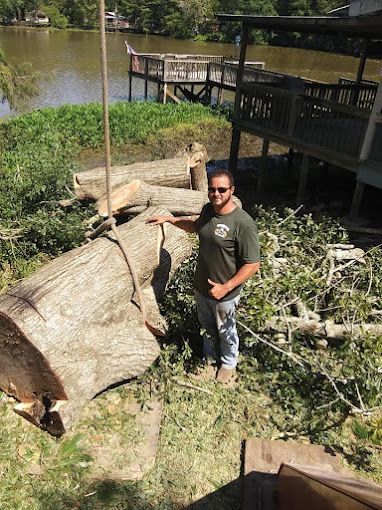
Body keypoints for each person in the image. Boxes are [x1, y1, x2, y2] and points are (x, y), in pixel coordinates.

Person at [147, 169, 260, 382]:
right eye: (212, 189)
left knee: (226, 330)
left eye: (222, 189)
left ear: (232, 190)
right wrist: (170, 220)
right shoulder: (208, 210)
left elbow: (253, 264)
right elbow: (195, 226)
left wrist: (226, 287)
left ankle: (228, 363)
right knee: (206, 325)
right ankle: (209, 358)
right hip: (201, 286)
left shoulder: (243, 223)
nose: (216, 193)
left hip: (224, 292)